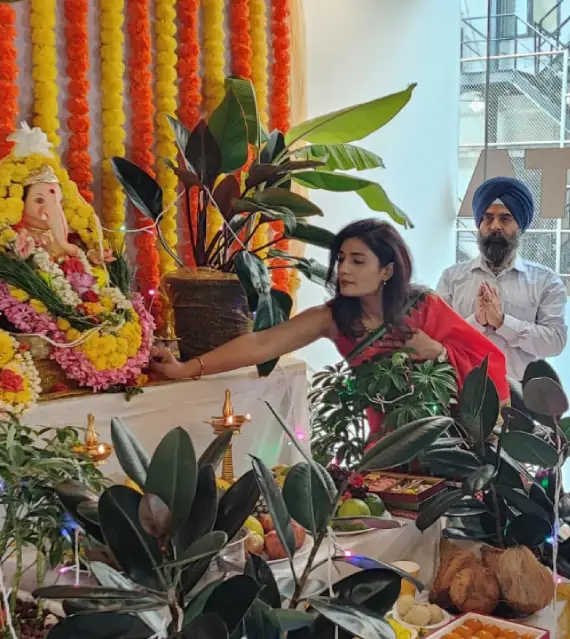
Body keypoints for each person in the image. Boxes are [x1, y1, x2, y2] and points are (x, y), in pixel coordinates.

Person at [152, 219, 510, 439]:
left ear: (387, 270)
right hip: (384, 448)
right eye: (340, 259)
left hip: (448, 443)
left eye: (357, 261)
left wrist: (439, 353)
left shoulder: (423, 307)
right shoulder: (332, 318)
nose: (344, 270)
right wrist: (187, 369)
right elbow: (262, 343)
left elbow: (488, 361)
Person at [437, 176, 567, 382]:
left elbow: (555, 342)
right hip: (462, 395)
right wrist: (477, 321)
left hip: (522, 400)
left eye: (505, 218)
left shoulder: (545, 282)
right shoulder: (452, 278)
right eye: (487, 218)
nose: (495, 226)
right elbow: (438, 338)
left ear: (520, 226)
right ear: (479, 224)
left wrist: (502, 322)